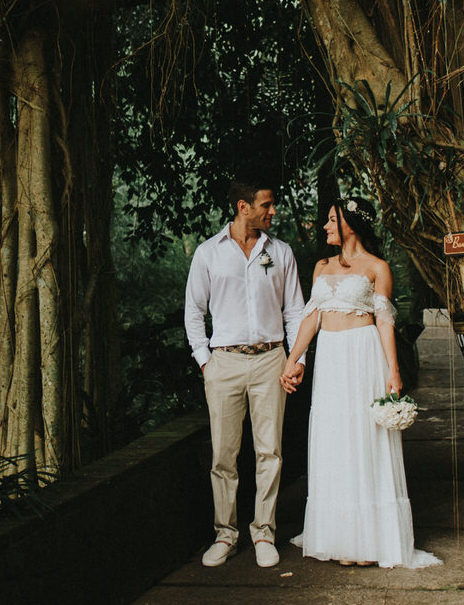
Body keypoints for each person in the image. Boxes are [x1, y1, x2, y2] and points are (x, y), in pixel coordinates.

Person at [279, 197, 440, 569]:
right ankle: (340, 537)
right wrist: (293, 359)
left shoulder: (377, 267)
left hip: (363, 354)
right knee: (334, 438)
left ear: (351, 223)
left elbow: (385, 321)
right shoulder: (321, 267)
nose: (326, 227)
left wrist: (393, 371)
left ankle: (371, 539)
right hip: (331, 358)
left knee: (365, 438)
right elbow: (311, 317)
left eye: (332, 220)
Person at [184, 178, 306, 568]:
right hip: (224, 363)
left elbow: (295, 312)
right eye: (266, 205)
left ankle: (264, 533)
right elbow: (193, 312)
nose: (273, 212)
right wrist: (206, 361)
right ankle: (225, 534)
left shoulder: (281, 252)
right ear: (242, 207)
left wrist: (295, 360)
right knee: (223, 454)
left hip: (271, 359)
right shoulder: (208, 253)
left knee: (270, 451)